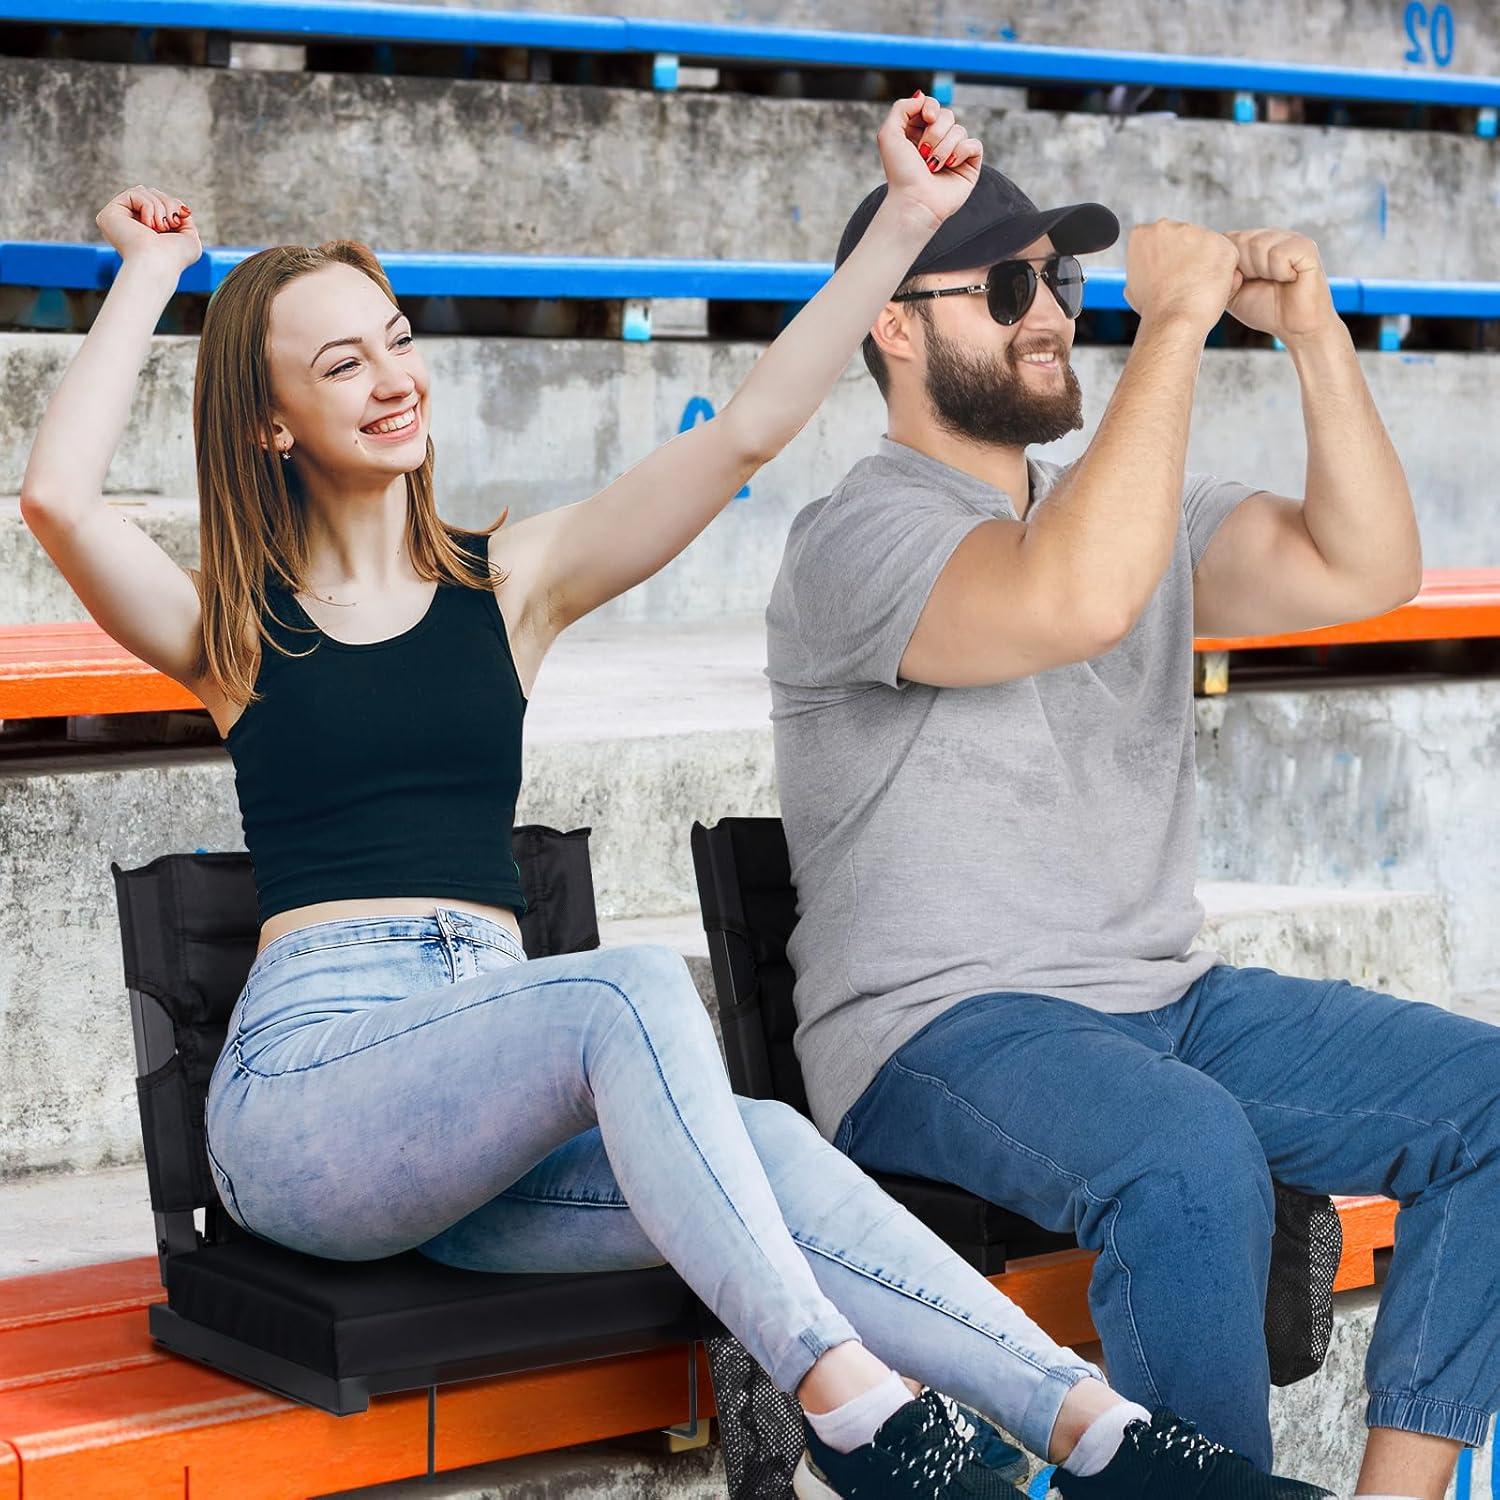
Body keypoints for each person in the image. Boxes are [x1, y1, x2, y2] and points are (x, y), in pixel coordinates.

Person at [21, 105, 1327, 1500]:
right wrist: (151, 281)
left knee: (760, 1141)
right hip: (312, 1094)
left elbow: (750, 432)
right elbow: (56, 498)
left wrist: (902, 220)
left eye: (399, 338)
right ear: (273, 419)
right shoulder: (235, 624)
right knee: (627, 987)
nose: (393, 376)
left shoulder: (509, 584)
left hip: (487, 1100)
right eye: (341, 362)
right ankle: (860, 1409)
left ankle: (1110, 1442)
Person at [764, 159, 1500, 1500]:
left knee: (1489, 1100)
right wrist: (1171, 327)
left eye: (1062, 278)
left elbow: (1369, 566)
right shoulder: (853, 537)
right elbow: (1074, 599)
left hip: (1166, 1003)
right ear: (892, 323)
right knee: (1189, 1151)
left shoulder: (1123, 506)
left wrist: (1317, 340)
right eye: (1004, 286)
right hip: (944, 1028)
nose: (1047, 310)